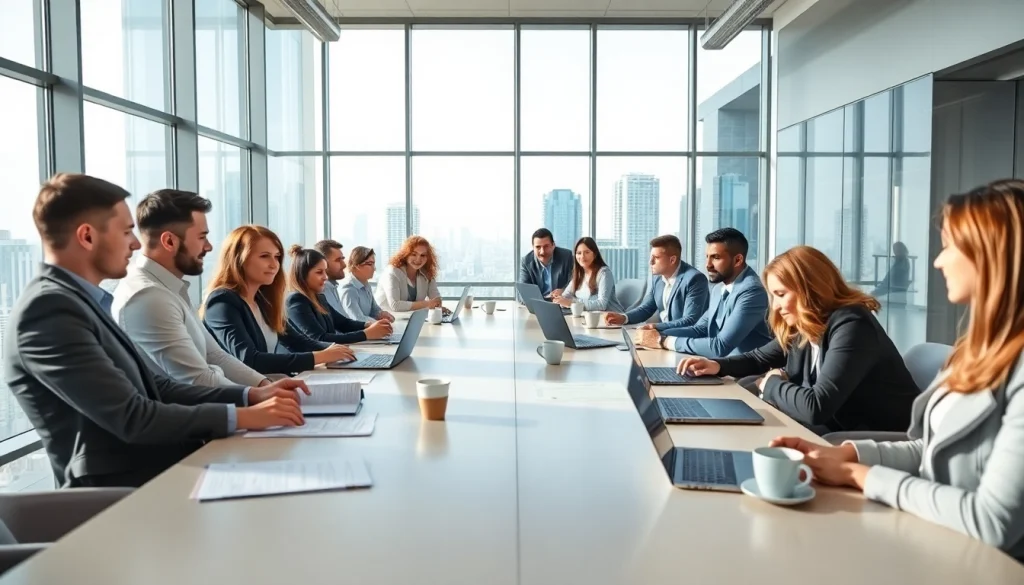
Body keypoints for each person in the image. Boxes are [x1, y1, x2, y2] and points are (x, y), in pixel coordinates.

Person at [768, 180, 1024, 561]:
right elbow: (927, 449)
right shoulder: (974, 350)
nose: (937, 262)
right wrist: (849, 455)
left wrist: (860, 475)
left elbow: (992, 522)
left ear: (992, 254)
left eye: (950, 246)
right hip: (936, 536)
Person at [3, 174, 308, 488]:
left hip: (157, 465)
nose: (136, 243)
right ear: (87, 236)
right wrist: (244, 415)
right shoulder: (49, 309)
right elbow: (132, 416)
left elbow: (157, 385)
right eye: (126, 232)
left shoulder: (85, 301)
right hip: (123, 487)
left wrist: (251, 395)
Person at [678, 245, 917, 432]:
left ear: (810, 289)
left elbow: (816, 407)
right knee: (748, 389)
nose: (776, 306)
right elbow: (759, 358)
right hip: (836, 426)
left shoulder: (853, 324)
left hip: (872, 436)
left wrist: (771, 383)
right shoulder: (807, 324)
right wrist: (716, 365)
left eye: (781, 294)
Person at [112, 189, 273, 388]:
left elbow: (214, 355)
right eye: (202, 237)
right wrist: (260, 394)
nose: (209, 246)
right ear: (169, 241)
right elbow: (197, 380)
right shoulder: (148, 296)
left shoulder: (169, 288)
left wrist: (265, 385)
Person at [201, 225, 354, 376]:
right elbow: (250, 360)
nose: (274, 264)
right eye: (264, 256)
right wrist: (319, 357)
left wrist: (339, 350)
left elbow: (298, 342)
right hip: (247, 390)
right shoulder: (222, 302)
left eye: (277, 257)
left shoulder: (263, 301)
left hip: (272, 383)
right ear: (238, 259)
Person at [635, 228, 771, 357]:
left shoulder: (752, 291)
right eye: (707, 257)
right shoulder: (719, 288)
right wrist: (656, 331)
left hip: (748, 371)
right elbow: (699, 329)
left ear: (738, 260)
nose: (708, 265)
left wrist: (664, 341)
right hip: (720, 365)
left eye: (716, 257)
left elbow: (720, 346)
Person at [285, 245, 393, 343]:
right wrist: (366, 334)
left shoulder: (319, 298)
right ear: (302, 275)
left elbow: (343, 323)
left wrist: (368, 325)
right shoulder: (296, 301)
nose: (325, 277)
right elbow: (319, 338)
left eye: (325, 271)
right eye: (319, 272)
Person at [605, 235, 709, 328]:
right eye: (651, 257)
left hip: (684, 339)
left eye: (656, 258)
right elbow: (647, 308)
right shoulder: (658, 278)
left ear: (672, 260)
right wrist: (623, 318)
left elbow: (690, 321)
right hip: (662, 336)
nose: (650, 262)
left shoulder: (695, 279)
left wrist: (655, 327)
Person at [375, 235, 448, 314]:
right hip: (387, 318)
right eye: (413, 254)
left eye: (423, 255)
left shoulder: (426, 273)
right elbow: (395, 305)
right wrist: (427, 304)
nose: (418, 259)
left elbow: (435, 298)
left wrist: (437, 306)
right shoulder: (392, 272)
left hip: (411, 318)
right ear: (405, 254)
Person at [553, 237, 624, 313]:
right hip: (588, 317)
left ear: (595, 254)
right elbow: (565, 296)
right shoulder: (579, 274)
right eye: (579, 253)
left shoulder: (604, 273)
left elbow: (602, 304)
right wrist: (560, 300)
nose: (582, 256)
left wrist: (572, 303)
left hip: (611, 316)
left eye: (587, 252)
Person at [337, 246, 394, 324]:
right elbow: (357, 319)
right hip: (357, 331)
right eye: (370, 264)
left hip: (368, 329)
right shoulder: (349, 290)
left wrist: (381, 314)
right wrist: (379, 324)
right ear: (357, 265)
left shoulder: (366, 284)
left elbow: (374, 310)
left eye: (374, 264)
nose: (374, 268)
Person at [518, 228, 574, 299]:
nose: (542, 252)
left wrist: (564, 291)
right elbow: (523, 294)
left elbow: (575, 283)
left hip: (560, 302)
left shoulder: (566, 257)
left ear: (553, 245)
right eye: (538, 247)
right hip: (538, 303)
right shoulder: (526, 262)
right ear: (533, 247)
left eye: (546, 246)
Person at [313, 239, 348, 314]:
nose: (344, 265)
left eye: (342, 259)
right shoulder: (323, 290)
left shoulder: (332, 287)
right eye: (338, 260)